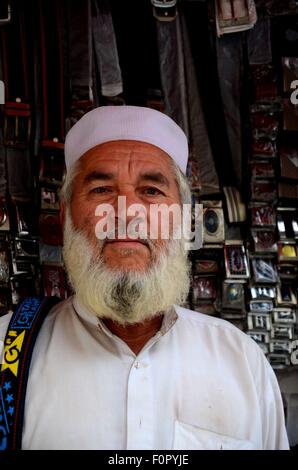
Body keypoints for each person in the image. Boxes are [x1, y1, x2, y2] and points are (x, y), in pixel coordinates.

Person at [0, 106, 289, 450]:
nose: (126, 211)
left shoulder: (241, 362)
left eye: (151, 192)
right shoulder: (7, 351)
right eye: (101, 190)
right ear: (65, 217)